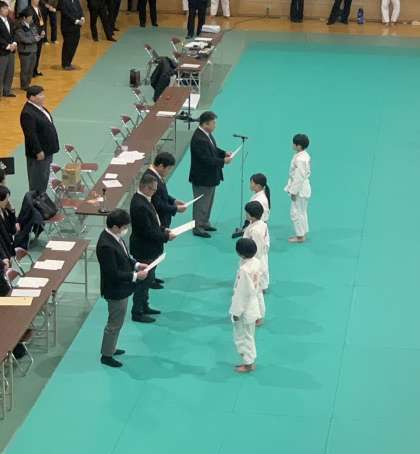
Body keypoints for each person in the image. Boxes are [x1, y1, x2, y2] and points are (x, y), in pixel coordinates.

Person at [97, 209, 149, 368]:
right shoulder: (106, 245)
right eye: (124, 227)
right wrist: (135, 276)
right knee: (114, 323)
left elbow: (125, 257)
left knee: (117, 322)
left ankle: (111, 347)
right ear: (115, 227)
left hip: (122, 288)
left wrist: (137, 265)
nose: (126, 229)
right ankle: (106, 355)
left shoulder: (115, 238)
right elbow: (113, 273)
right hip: (115, 290)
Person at [130, 173, 176, 323]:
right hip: (144, 249)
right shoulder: (140, 205)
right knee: (143, 282)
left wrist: (163, 229)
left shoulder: (144, 199)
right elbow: (147, 231)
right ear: (144, 187)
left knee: (148, 279)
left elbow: (153, 223)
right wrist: (165, 236)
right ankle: (137, 312)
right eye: (152, 189)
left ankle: (144, 305)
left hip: (149, 248)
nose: (155, 192)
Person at [189, 111, 232, 238]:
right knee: (201, 204)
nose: (215, 125)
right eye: (213, 123)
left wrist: (224, 153)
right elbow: (206, 159)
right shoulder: (199, 139)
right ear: (205, 124)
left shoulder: (206, 134)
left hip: (210, 176)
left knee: (208, 202)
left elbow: (213, 149)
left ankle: (204, 222)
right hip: (202, 177)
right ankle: (197, 227)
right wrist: (223, 161)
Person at [230, 238, 261, 373]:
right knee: (249, 334)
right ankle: (249, 360)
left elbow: (241, 294)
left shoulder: (244, 270)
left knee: (244, 336)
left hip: (245, 309)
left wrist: (236, 312)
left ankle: (248, 363)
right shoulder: (256, 262)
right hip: (253, 305)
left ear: (240, 254)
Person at [20, 85, 59, 192]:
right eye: (40, 95)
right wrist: (38, 151)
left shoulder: (40, 108)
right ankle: (35, 200)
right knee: (37, 181)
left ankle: (41, 198)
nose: (43, 96)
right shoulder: (27, 113)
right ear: (32, 97)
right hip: (39, 154)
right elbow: (30, 135)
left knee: (44, 178)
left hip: (47, 150)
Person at [145, 152, 186, 229]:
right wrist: (175, 209)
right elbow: (157, 204)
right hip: (158, 222)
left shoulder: (156, 175)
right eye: (169, 168)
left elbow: (160, 193)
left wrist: (173, 201)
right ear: (161, 166)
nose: (169, 171)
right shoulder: (151, 179)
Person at [243, 201, 269, 324]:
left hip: (255, 263)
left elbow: (256, 250)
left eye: (246, 213)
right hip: (258, 260)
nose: (245, 215)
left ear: (251, 215)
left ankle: (259, 316)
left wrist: (249, 262)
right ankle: (258, 314)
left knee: (256, 292)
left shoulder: (255, 231)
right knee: (255, 291)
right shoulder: (261, 224)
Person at [284, 133, 311, 243]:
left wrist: (293, 192)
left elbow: (299, 177)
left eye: (294, 144)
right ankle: (303, 233)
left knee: (295, 212)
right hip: (304, 188)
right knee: (302, 211)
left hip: (300, 189)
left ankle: (300, 236)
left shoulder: (300, 159)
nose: (292, 145)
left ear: (298, 146)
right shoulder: (304, 155)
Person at [15, 8, 42, 90]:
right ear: (24, 18)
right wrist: (35, 39)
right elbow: (24, 39)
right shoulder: (19, 27)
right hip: (25, 52)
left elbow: (36, 34)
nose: (31, 19)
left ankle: (28, 84)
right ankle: (24, 85)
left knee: (31, 69)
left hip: (33, 50)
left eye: (31, 17)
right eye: (29, 17)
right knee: (25, 70)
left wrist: (40, 36)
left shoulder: (32, 25)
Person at [59, 0, 84, 70]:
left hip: (76, 27)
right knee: (68, 46)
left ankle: (69, 62)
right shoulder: (64, 1)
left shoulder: (76, 0)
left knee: (74, 44)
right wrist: (76, 21)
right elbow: (66, 14)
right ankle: (65, 64)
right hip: (67, 28)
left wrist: (82, 17)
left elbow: (80, 9)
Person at [0, 0, 17, 98]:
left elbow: (14, 33)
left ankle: (7, 91)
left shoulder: (10, 20)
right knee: (1, 72)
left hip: (11, 50)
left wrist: (14, 43)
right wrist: (7, 46)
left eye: (7, 8)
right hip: (2, 51)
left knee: (10, 72)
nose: (7, 10)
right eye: (4, 8)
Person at [0, 186, 17, 262]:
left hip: (8, 250)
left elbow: (13, 230)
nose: (8, 201)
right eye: (6, 199)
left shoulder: (4, 211)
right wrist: (4, 257)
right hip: (2, 255)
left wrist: (12, 212)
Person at [28, 0, 45, 77]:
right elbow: (31, 24)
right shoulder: (29, 10)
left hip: (40, 35)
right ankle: (31, 71)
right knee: (33, 54)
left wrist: (43, 30)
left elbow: (42, 21)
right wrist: (38, 32)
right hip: (34, 35)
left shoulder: (39, 9)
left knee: (38, 53)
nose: (38, 0)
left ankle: (35, 70)